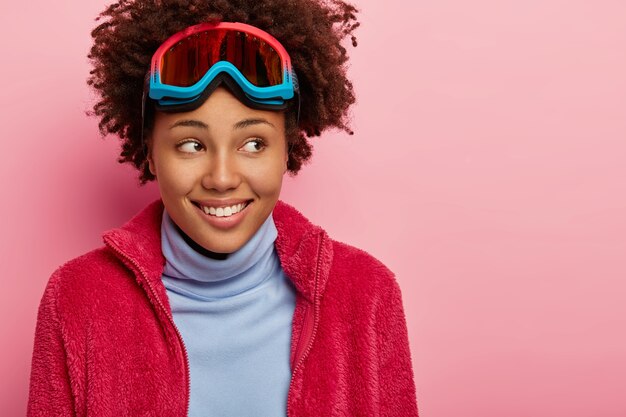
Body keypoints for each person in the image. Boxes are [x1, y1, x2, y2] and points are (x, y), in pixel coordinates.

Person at [27, 0, 419, 415]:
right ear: (150, 152)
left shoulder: (366, 293)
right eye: (191, 144)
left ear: (287, 149)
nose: (222, 177)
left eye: (253, 144)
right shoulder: (77, 298)